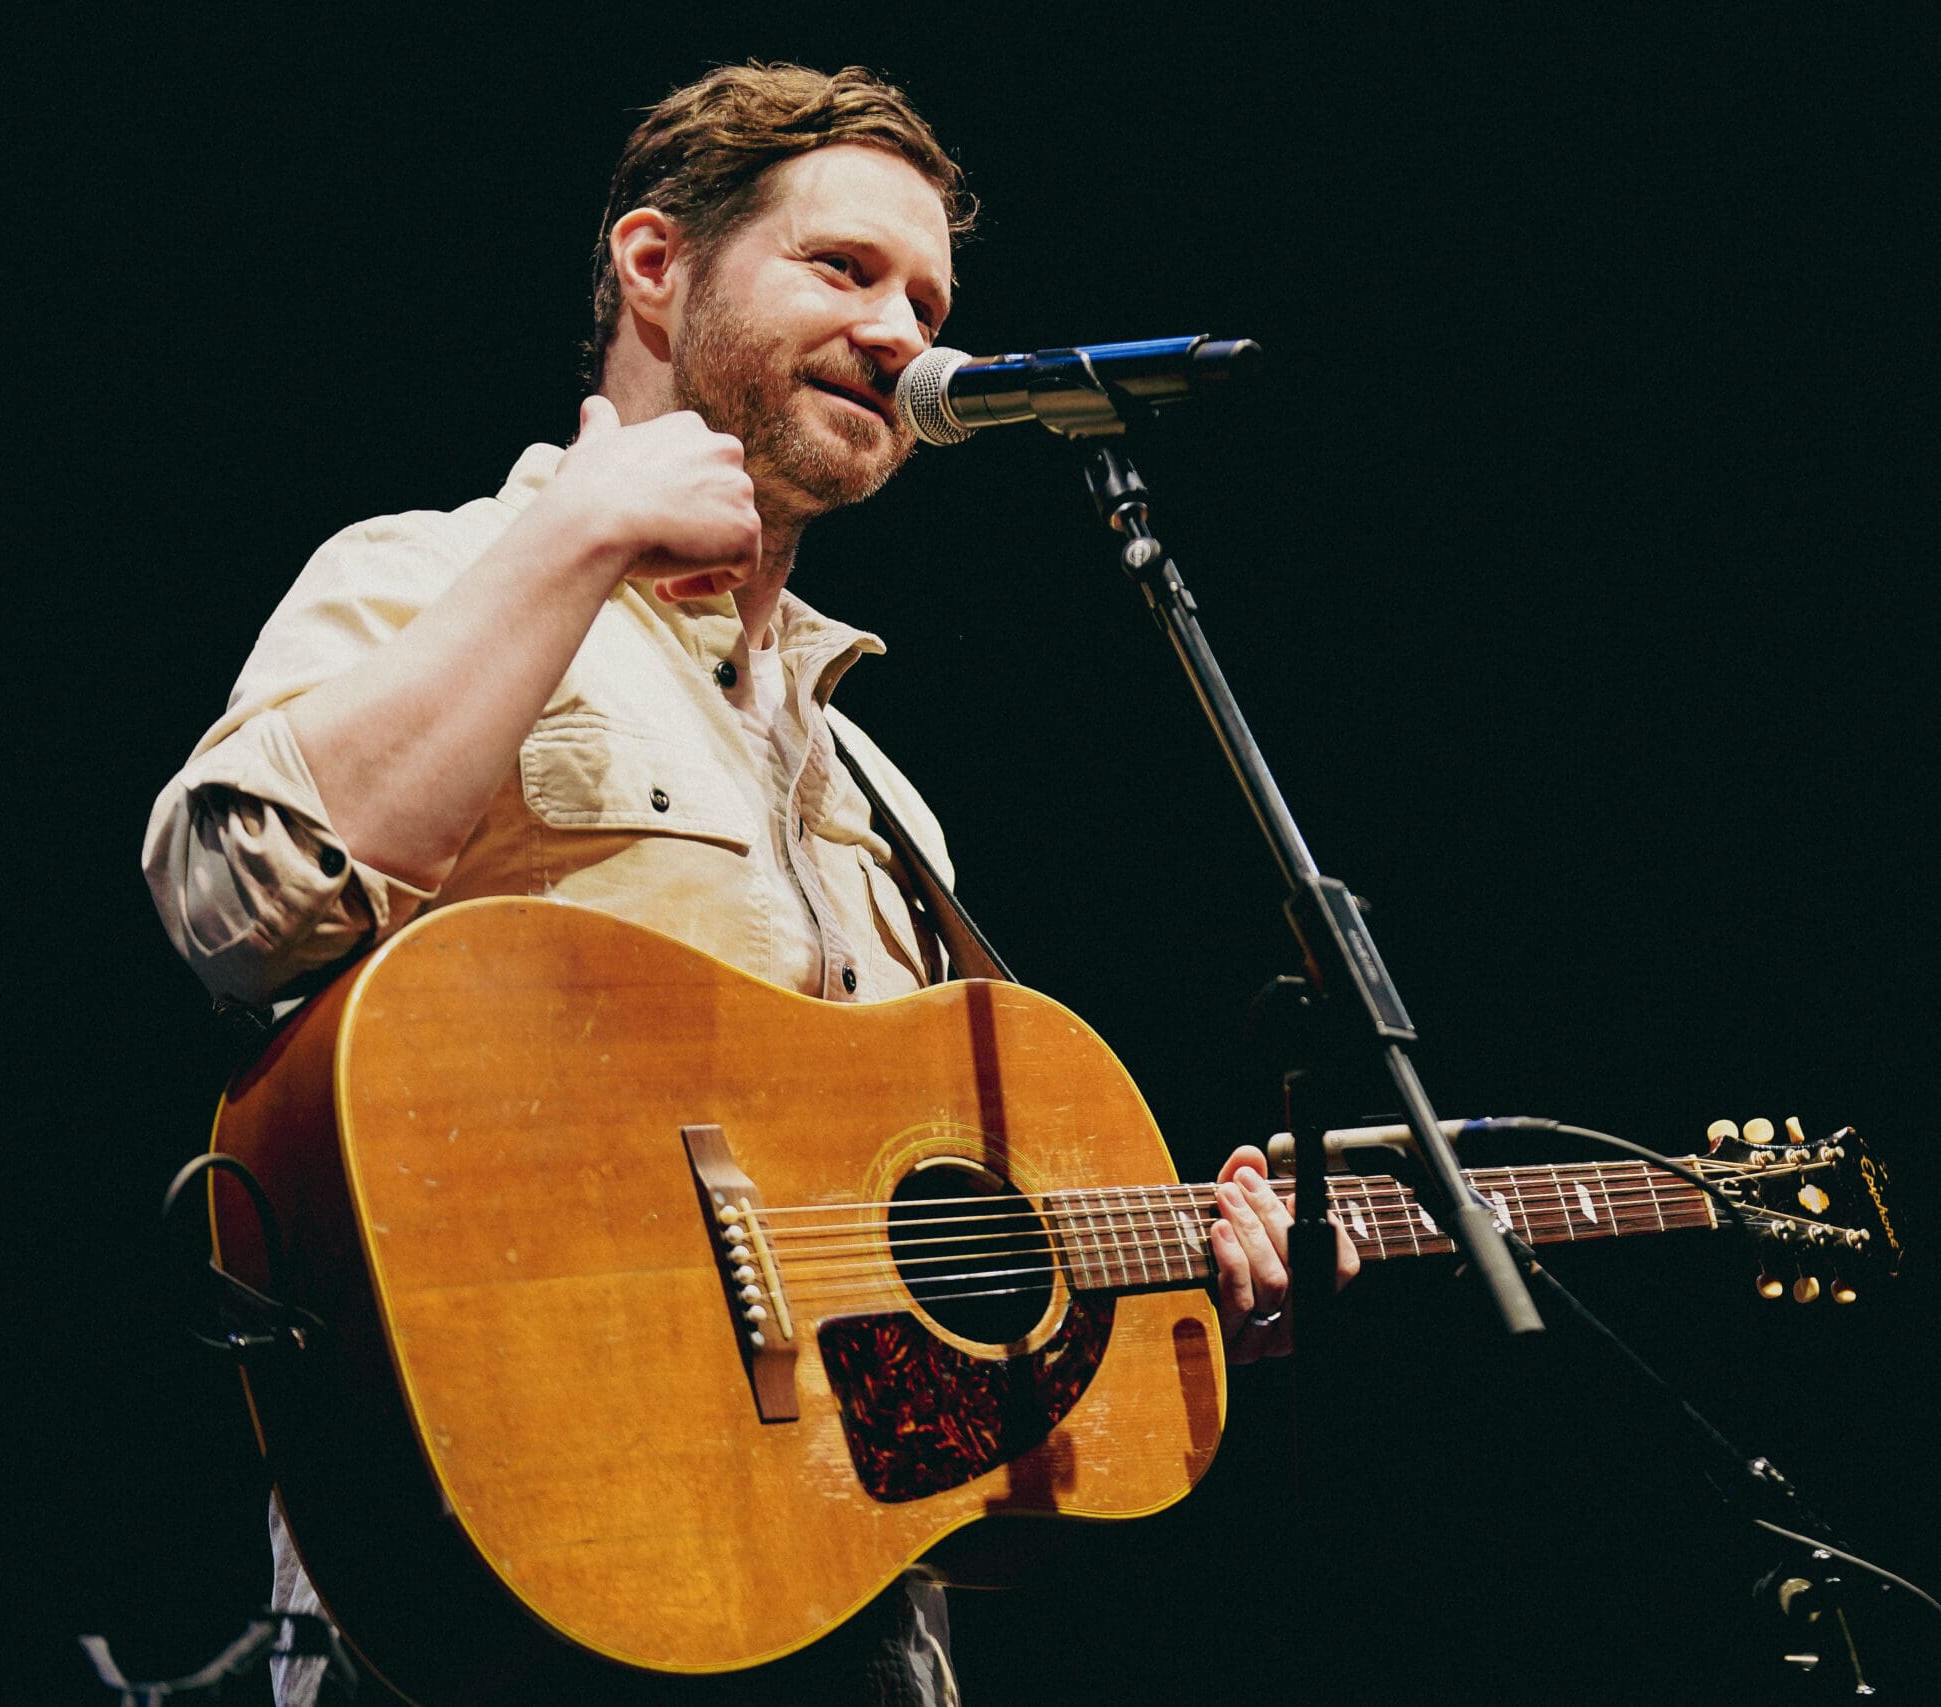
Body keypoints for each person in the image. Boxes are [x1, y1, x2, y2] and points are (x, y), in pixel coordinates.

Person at [143, 61, 1357, 1706]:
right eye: (844, 268)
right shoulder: (429, 573)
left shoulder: (881, 796)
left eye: (929, 302)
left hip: (837, 1607)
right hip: (507, 1566)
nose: (902, 334)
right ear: (657, 265)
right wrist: (575, 544)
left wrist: (1186, 1300)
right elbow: (234, 905)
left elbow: (882, 1267)